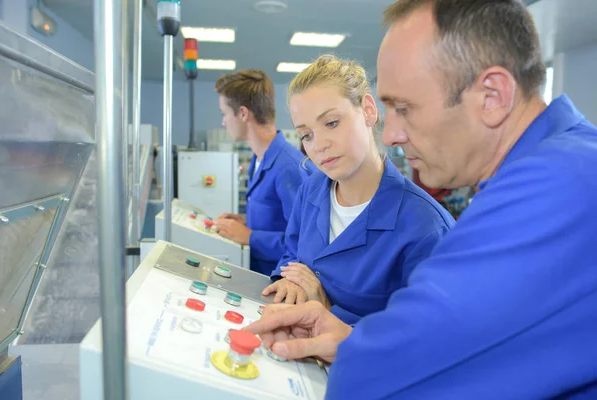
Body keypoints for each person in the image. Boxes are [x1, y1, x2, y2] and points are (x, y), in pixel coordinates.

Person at [244, 0, 597, 398]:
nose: (391, 134)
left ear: (492, 96)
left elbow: (399, 374)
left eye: (405, 108)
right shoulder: (560, 165)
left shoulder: (556, 186)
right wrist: (350, 340)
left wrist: (360, 351)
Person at [262, 54, 454, 325]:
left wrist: (327, 310)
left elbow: (426, 340)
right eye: (306, 135)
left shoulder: (427, 229)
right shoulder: (312, 190)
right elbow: (291, 255)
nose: (319, 145)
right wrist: (289, 282)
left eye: (331, 123)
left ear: (368, 110)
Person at [213, 69, 313, 276]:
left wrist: (249, 236)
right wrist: (246, 224)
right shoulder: (259, 159)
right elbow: (278, 220)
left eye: (224, 114)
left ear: (242, 113)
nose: (223, 122)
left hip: (279, 283)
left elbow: (306, 243)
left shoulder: (288, 168)